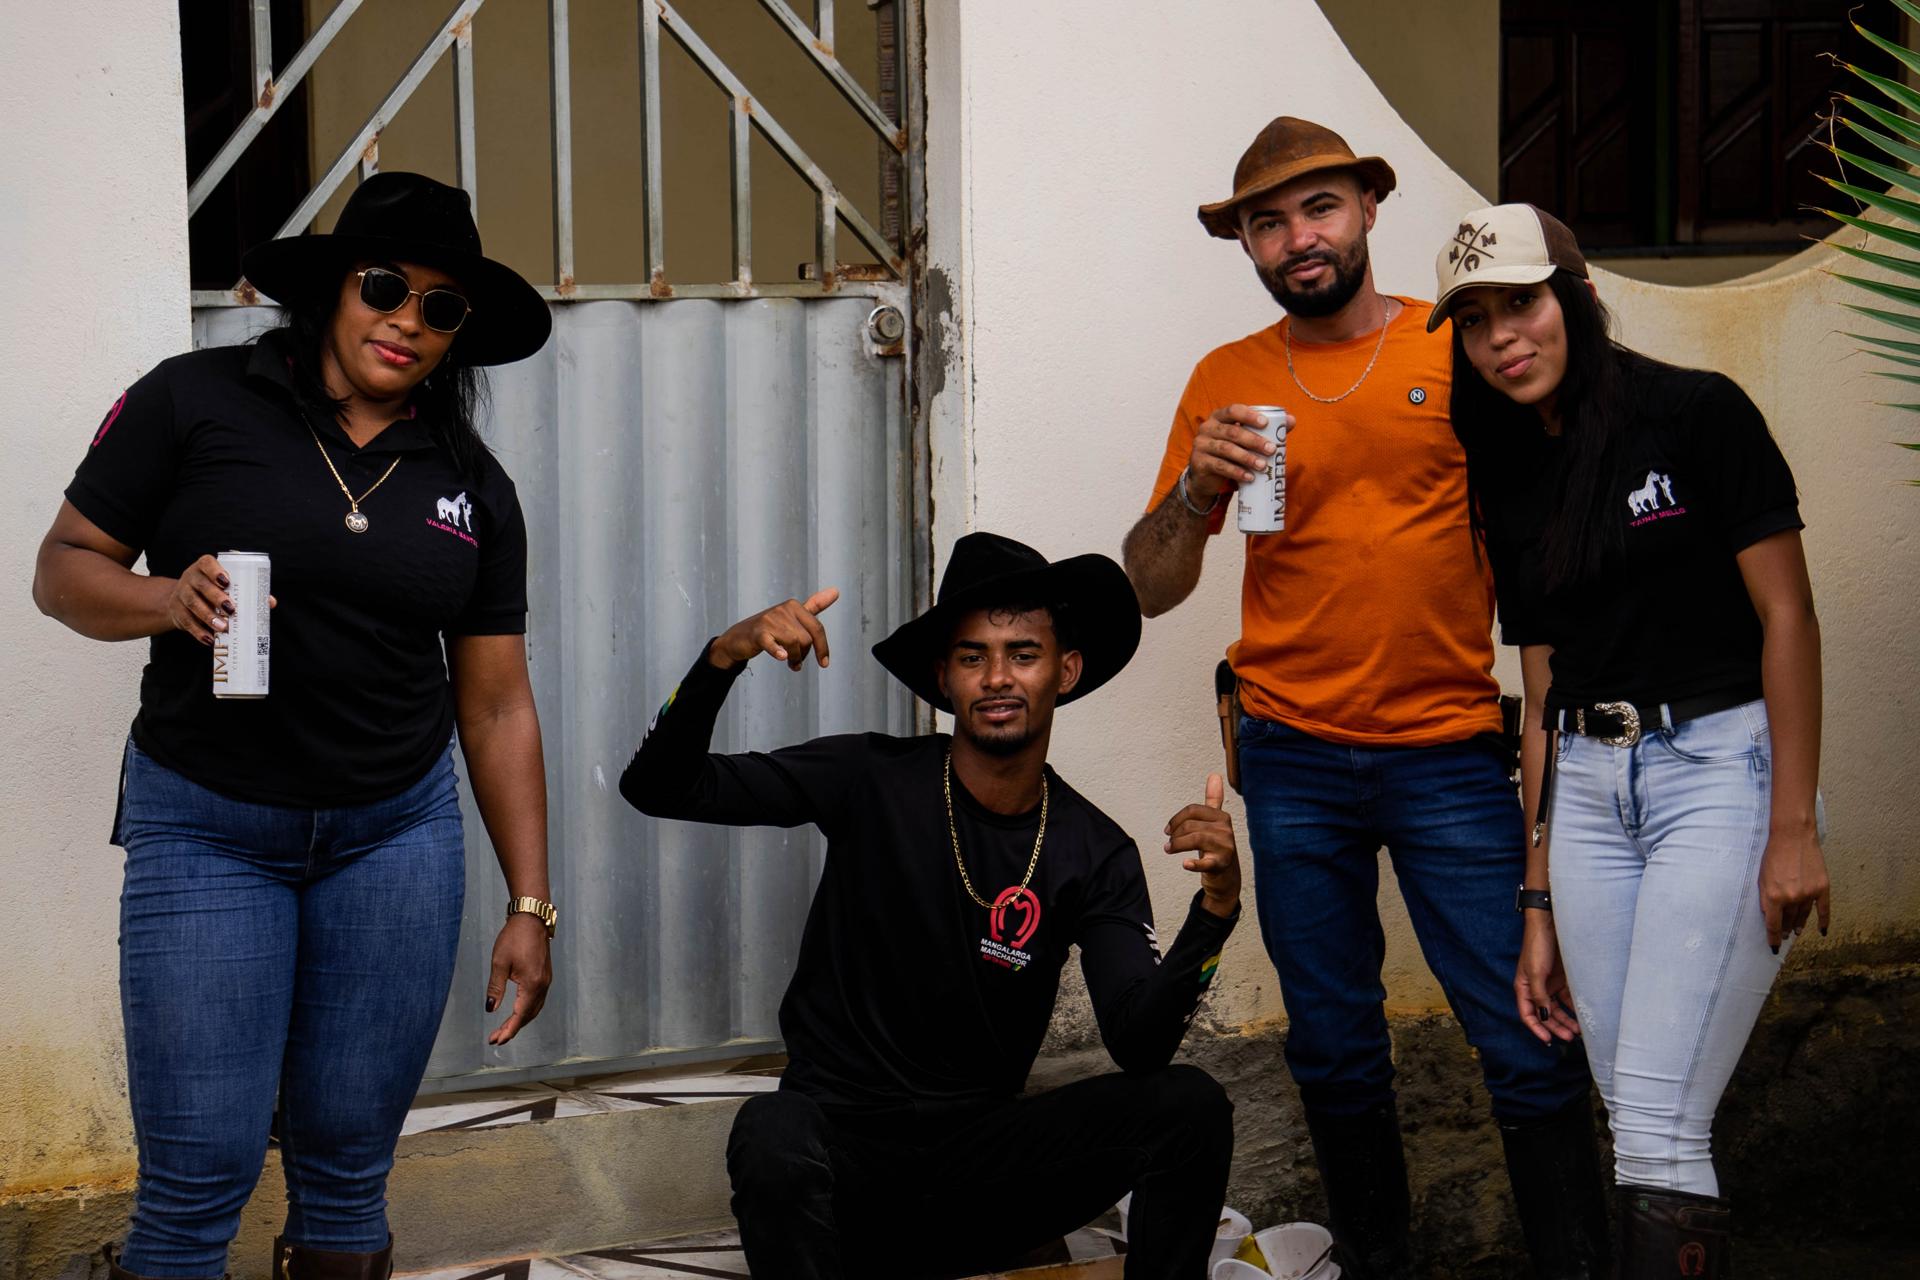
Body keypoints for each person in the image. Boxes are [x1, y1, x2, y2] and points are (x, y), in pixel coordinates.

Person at [32, 172, 558, 1280]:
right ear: (332, 289)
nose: (407, 321)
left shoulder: (472, 482)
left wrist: (529, 902)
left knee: (348, 1173)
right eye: (385, 288)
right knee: (198, 1176)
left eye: (441, 307)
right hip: (209, 826)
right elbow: (63, 569)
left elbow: (497, 700)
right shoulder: (195, 401)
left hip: (393, 838)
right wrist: (167, 597)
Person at [1120, 117, 1607, 1279]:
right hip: (1291, 755)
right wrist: (1193, 492)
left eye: (1320, 207)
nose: (1298, 237)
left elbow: (1560, 500)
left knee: (1528, 1036)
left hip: (1450, 751)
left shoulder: (1459, 350)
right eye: (1268, 222)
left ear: (1369, 209)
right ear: (1246, 244)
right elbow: (1147, 584)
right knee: (1335, 1049)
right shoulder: (1226, 381)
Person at [620, 532, 1240, 1280]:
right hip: (843, 1174)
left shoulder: (1093, 850)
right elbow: (657, 786)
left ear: (1066, 671)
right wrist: (725, 654)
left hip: (981, 1178)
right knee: (771, 1129)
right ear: (944, 677)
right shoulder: (869, 777)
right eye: (973, 657)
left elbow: (1139, 1045)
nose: (998, 677)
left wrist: (1215, 910)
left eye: (1023, 654)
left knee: (1191, 1107)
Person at [1430, 202, 1830, 1278]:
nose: (1502, 337)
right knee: (1633, 1109)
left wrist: (1794, 825)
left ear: (1577, 296)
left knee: (1656, 1118)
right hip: (1588, 793)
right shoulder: (1506, 465)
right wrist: (1537, 899)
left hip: (1722, 770)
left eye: (1521, 303)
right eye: (1474, 320)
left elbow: (1788, 616)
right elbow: (1540, 689)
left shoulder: (1697, 413)